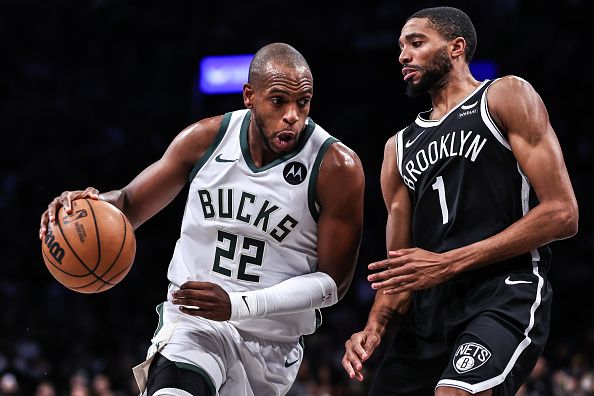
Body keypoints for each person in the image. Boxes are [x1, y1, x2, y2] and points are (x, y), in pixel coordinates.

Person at [39, 42, 365, 396]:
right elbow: (129, 204)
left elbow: (333, 285)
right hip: (193, 326)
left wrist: (238, 305)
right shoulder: (206, 140)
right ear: (249, 97)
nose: (292, 115)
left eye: (303, 103)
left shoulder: (336, 167)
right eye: (278, 101)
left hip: (271, 346)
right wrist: (84, 206)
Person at [342, 6, 578, 396]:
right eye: (401, 47)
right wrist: (373, 328)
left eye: (416, 43)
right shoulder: (396, 149)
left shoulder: (504, 95)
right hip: (428, 313)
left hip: (503, 290)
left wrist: (447, 263)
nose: (403, 55)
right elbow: (401, 270)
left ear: (456, 47)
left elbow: (563, 213)